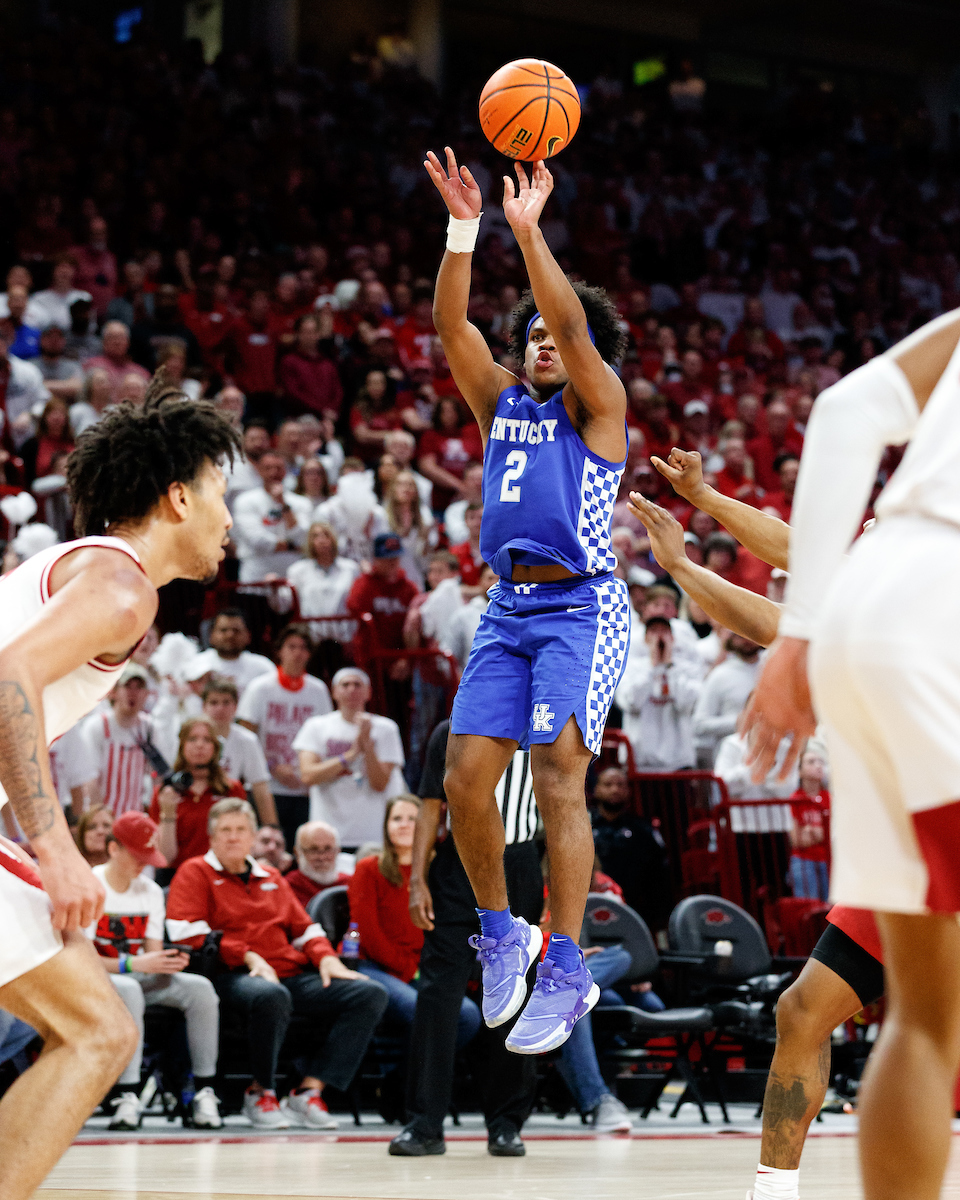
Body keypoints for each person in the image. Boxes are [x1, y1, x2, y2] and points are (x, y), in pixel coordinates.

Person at [0, 376, 238, 1200]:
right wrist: (58, 849)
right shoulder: (122, 586)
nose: (229, 518)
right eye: (219, 493)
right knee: (98, 1033)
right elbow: (10, 679)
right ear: (177, 497)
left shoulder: (93, 573)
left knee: (91, 1028)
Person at [623, 466, 889, 1200]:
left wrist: (705, 509)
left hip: (940, 832)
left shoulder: (918, 591)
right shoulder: (855, 616)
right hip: (900, 856)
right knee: (802, 1010)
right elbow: (767, 616)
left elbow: (794, 562)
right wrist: (680, 562)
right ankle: (774, 1191)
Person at [425, 147, 631, 1053]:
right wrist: (465, 231)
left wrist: (528, 229)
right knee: (467, 780)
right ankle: (502, 932)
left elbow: (576, 332)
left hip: (583, 606)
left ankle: (569, 963)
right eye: (537, 336)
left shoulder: (601, 406)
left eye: (559, 333)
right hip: (507, 608)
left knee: (556, 773)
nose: (547, 342)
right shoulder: (502, 402)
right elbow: (449, 326)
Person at [165, 797, 389, 1130]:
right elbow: (186, 932)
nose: (233, 837)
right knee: (270, 995)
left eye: (241, 829)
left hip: (287, 972)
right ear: (212, 837)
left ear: (252, 836)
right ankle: (261, 1093)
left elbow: (305, 928)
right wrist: (246, 954)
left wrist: (326, 958)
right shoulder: (195, 871)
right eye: (225, 830)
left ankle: (308, 1091)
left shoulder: (269, 875)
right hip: (230, 975)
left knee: (369, 993)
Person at [392, 719, 542, 1158]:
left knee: (515, 994)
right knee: (438, 995)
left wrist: (556, 892)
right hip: (458, 866)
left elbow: (563, 812)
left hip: (522, 864)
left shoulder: (550, 725)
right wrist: (417, 880)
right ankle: (424, 1124)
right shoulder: (451, 729)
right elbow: (430, 806)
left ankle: (506, 1124)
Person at [86, 811, 222, 1131]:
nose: (143, 864)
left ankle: (205, 1089)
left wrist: (167, 962)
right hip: (93, 981)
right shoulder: (90, 885)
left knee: (200, 987)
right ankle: (126, 1095)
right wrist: (130, 964)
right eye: (136, 856)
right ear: (113, 849)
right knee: (130, 988)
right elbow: (79, 959)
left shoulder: (149, 891)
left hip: (134, 975)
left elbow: (151, 952)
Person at [349, 795, 481, 1047]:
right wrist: (410, 969)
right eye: (396, 818)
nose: (404, 824)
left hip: (424, 968)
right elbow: (368, 934)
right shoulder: (369, 869)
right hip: (373, 967)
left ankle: (406, 1078)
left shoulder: (439, 872)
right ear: (386, 826)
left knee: (468, 1016)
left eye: (412, 819)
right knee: (427, 1011)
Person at [237, 623, 333, 851]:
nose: (297, 653)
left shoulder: (317, 690)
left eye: (303, 648)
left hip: (305, 788)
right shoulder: (260, 688)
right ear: (279, 651)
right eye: (291, 646)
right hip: (268, 786)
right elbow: (246, 736)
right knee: (267, 849)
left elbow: (325, 738)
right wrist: (271, 765)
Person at [293, 667, 406, 852]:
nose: (351, 689)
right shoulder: (316, 726)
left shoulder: (386, 728)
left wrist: (367, 745)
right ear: (334, 692)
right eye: (345, 684)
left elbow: (380, 783)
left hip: (372, 834)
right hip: (327, 833)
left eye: (357, 684)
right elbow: (307, 776)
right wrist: (350, 755)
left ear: (369, 692)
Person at [150, 718, 249, 875]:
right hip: (177, 874)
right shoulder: (165, 792)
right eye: (192, 739)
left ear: (216, 747)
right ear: (182, 745)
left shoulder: (231, 789)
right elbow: (164, 858)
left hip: (222, 873)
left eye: (207, 739)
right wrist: (168, 812)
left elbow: (243, 841)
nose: (199, 745)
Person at [615, 616, 701, 772]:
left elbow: (686, 704)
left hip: (679, 761)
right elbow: (632, 702)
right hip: (640, 761)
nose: (659, 637)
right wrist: (652, 668)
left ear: (673, 638)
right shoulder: (629, 668)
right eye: (653, 632)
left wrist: (668, 667)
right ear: (645, 639)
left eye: (664, 632)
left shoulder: (688, 670)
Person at [589, 767, 671, 929]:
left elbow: (659, 875)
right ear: (596, 790)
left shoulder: (643, 830)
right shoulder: (582, 826)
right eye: (608, 784)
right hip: (588, 907)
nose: (615, 790)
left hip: (635, 911)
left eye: (620, 785)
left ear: (628, 791)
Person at [80, 664, 157, 817]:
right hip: (104, 816)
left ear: (147, 694)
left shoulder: (148, 727)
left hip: (135, 816)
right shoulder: (97, 726)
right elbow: (89, 778)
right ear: (113, 692)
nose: (133, 693)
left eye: (139, 687)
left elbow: (156, 774)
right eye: (127, 686)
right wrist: (101, 818)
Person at [199, 677, 276, 822]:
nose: (220, 708)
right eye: (214, 702)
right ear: (204, 707)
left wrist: (272, 827)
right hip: (197, 805)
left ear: (235, 707)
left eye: (226, 702)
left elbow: (260, 787)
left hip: (230, 808)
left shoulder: (247, 740)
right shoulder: (192, 736)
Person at [232, 450, 313, 582]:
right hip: (256, 578)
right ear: (259, 470)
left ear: (285, 471)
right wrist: (293, 547)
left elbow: (303, 538)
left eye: (278, 468)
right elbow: (257, 540)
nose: (273, 473)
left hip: (293, 578)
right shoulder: (245, 501)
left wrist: (284, 505)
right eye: (268, 468)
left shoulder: (301, 502)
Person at [691, 632, 764, 767]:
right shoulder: (720, 675)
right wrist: (736, 722)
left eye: (752, 635)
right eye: (741, 636)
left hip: (768, 758)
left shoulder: (771, 670)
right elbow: (699, 723)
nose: (747, 640)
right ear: (732, 640)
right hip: (730, 760)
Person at [285, 522, 361, 650]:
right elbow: (283, 605)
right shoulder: (298, 570)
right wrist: (275, 589)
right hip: (312, 640)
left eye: (326, 535)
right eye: (316, 536)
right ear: (310, 541)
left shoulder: (351, 568)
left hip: (344, 638)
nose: (321, 540)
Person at [190, 609, 274, 697]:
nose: (230, 635)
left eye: (236, 630)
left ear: (248, 636)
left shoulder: (263, 668)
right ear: (211, 635)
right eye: (223, 630)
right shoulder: (195, 664)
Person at [285, 820, 352, 909]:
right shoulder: (287, 886)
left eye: (328, 849)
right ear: (297, 853)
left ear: (338, 851)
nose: (322, 857)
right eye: (314, 850)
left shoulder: (350, 883)